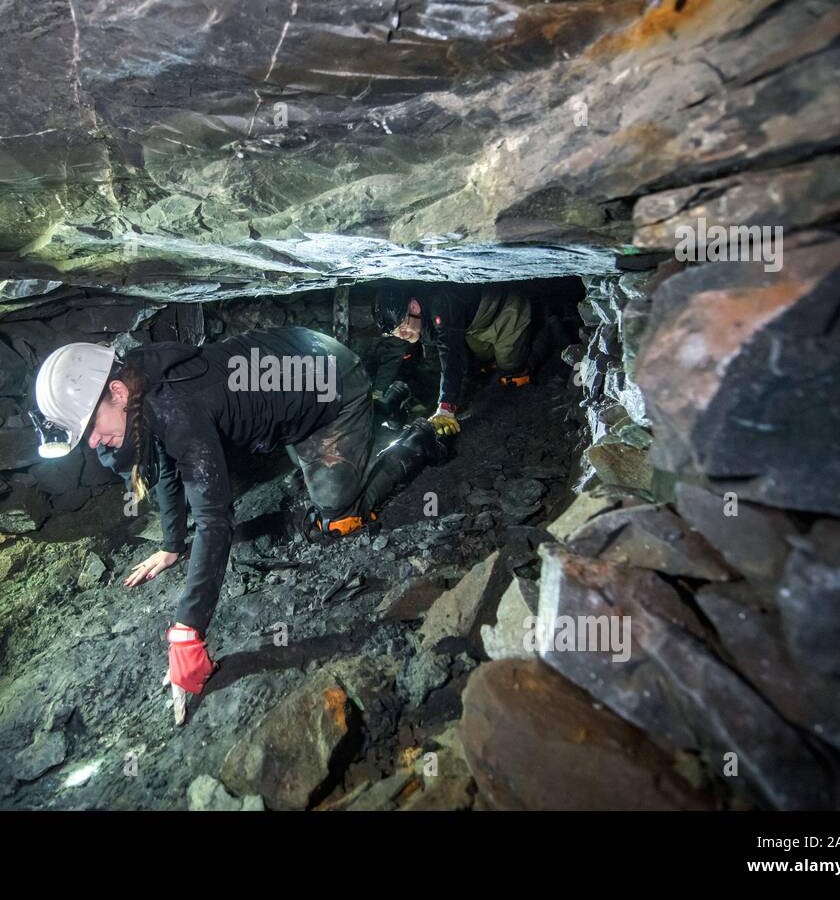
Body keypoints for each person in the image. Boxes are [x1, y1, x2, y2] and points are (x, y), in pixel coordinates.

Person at [31, 326, 449, 702]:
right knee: (309, 465)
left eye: (91, 426)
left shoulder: (177, 407)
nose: (92, 443)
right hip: (298, 371)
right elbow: (165, 462)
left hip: (332, 385)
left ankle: (417, 440)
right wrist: (172, 545)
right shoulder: (141, 380)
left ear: (118, 393)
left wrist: (188, 630)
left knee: (338, 517)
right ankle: (386, 408)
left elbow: (215, 521)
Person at [369, 282, 533, 435]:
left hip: (503, 312)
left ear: (414, 307)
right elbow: (402, 354)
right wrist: (377, 393)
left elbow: (451, 354)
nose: (402, 335)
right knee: (479, 363)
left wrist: (446, 408)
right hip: (471, 326)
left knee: (511, 367)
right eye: (395, 332)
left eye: (402, 327)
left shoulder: (441, 304)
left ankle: (540, 345)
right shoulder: (413, 320)